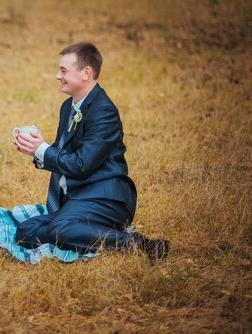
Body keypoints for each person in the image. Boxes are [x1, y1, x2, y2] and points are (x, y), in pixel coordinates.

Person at [13, 42, 169, 262]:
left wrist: (43, 150)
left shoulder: (104, 111)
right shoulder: (68, 107)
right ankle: (77, 228)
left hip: (107, 199)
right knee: (25, 231)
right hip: (78, 197)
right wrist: (37, 151)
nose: (58, 76)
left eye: (64, 70)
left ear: (86, 73)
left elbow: (81, 164)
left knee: (59, 231)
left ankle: (141, 244)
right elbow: (62, 154)